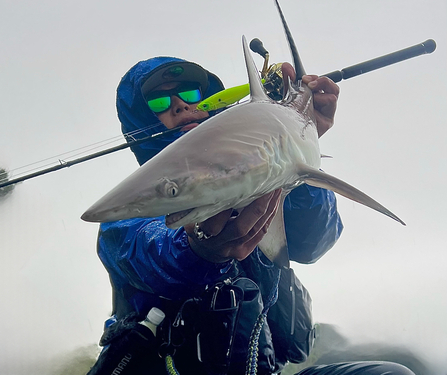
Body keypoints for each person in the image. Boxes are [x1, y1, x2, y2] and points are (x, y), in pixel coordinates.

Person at [87, 57, 414, 375]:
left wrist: (299, 142)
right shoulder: (124, 223)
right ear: (138, 121)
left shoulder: (264, 173)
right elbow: (156, 253)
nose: (181, 106)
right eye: (159, 101)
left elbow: (311, 245)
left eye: (189, 94)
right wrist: (198, 249)